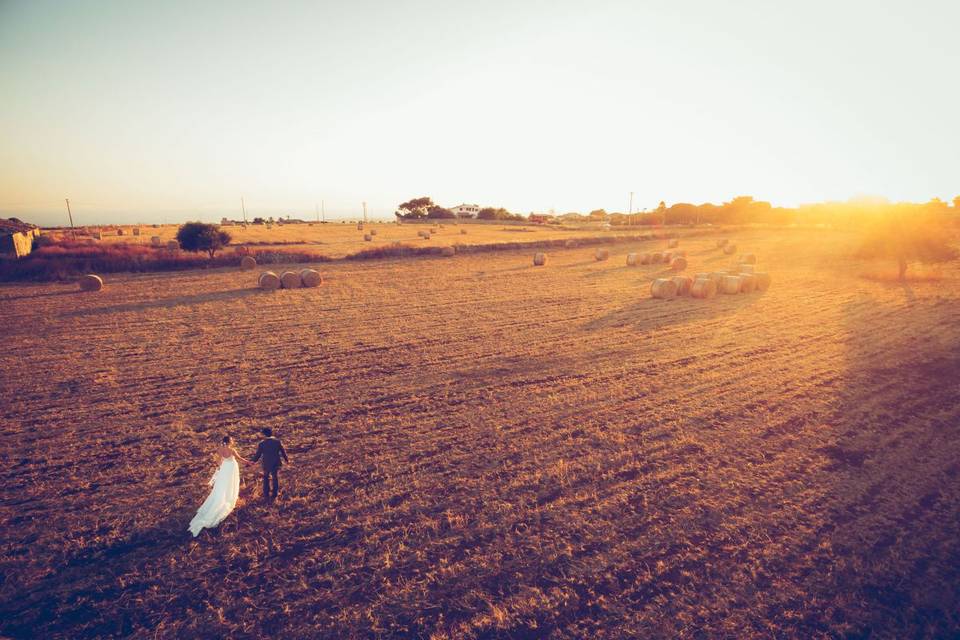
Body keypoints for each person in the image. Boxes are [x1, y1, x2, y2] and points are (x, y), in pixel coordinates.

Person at [188, 435, 248, 537]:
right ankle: (230, 497)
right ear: (230, 442)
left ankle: (222, 497)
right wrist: (249, 462)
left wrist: (220, 468)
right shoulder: (232, 450)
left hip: (225, 467)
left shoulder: (220, 449)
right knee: (231, 482)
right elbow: (240, 459)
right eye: (232, 440)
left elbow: (219, 461)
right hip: (232, 467)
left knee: (223, 484)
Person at [251, 427, 289, 501]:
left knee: (266, 478)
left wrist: (252, 462)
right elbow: (283, 451)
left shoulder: (262, 443)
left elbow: (257, 455)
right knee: (275, 477)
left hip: (266, 463)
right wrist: (287, 460)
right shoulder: (277, 442)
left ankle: (266, 494)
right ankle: (275, 493)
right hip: (275, 462)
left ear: (264, 434)